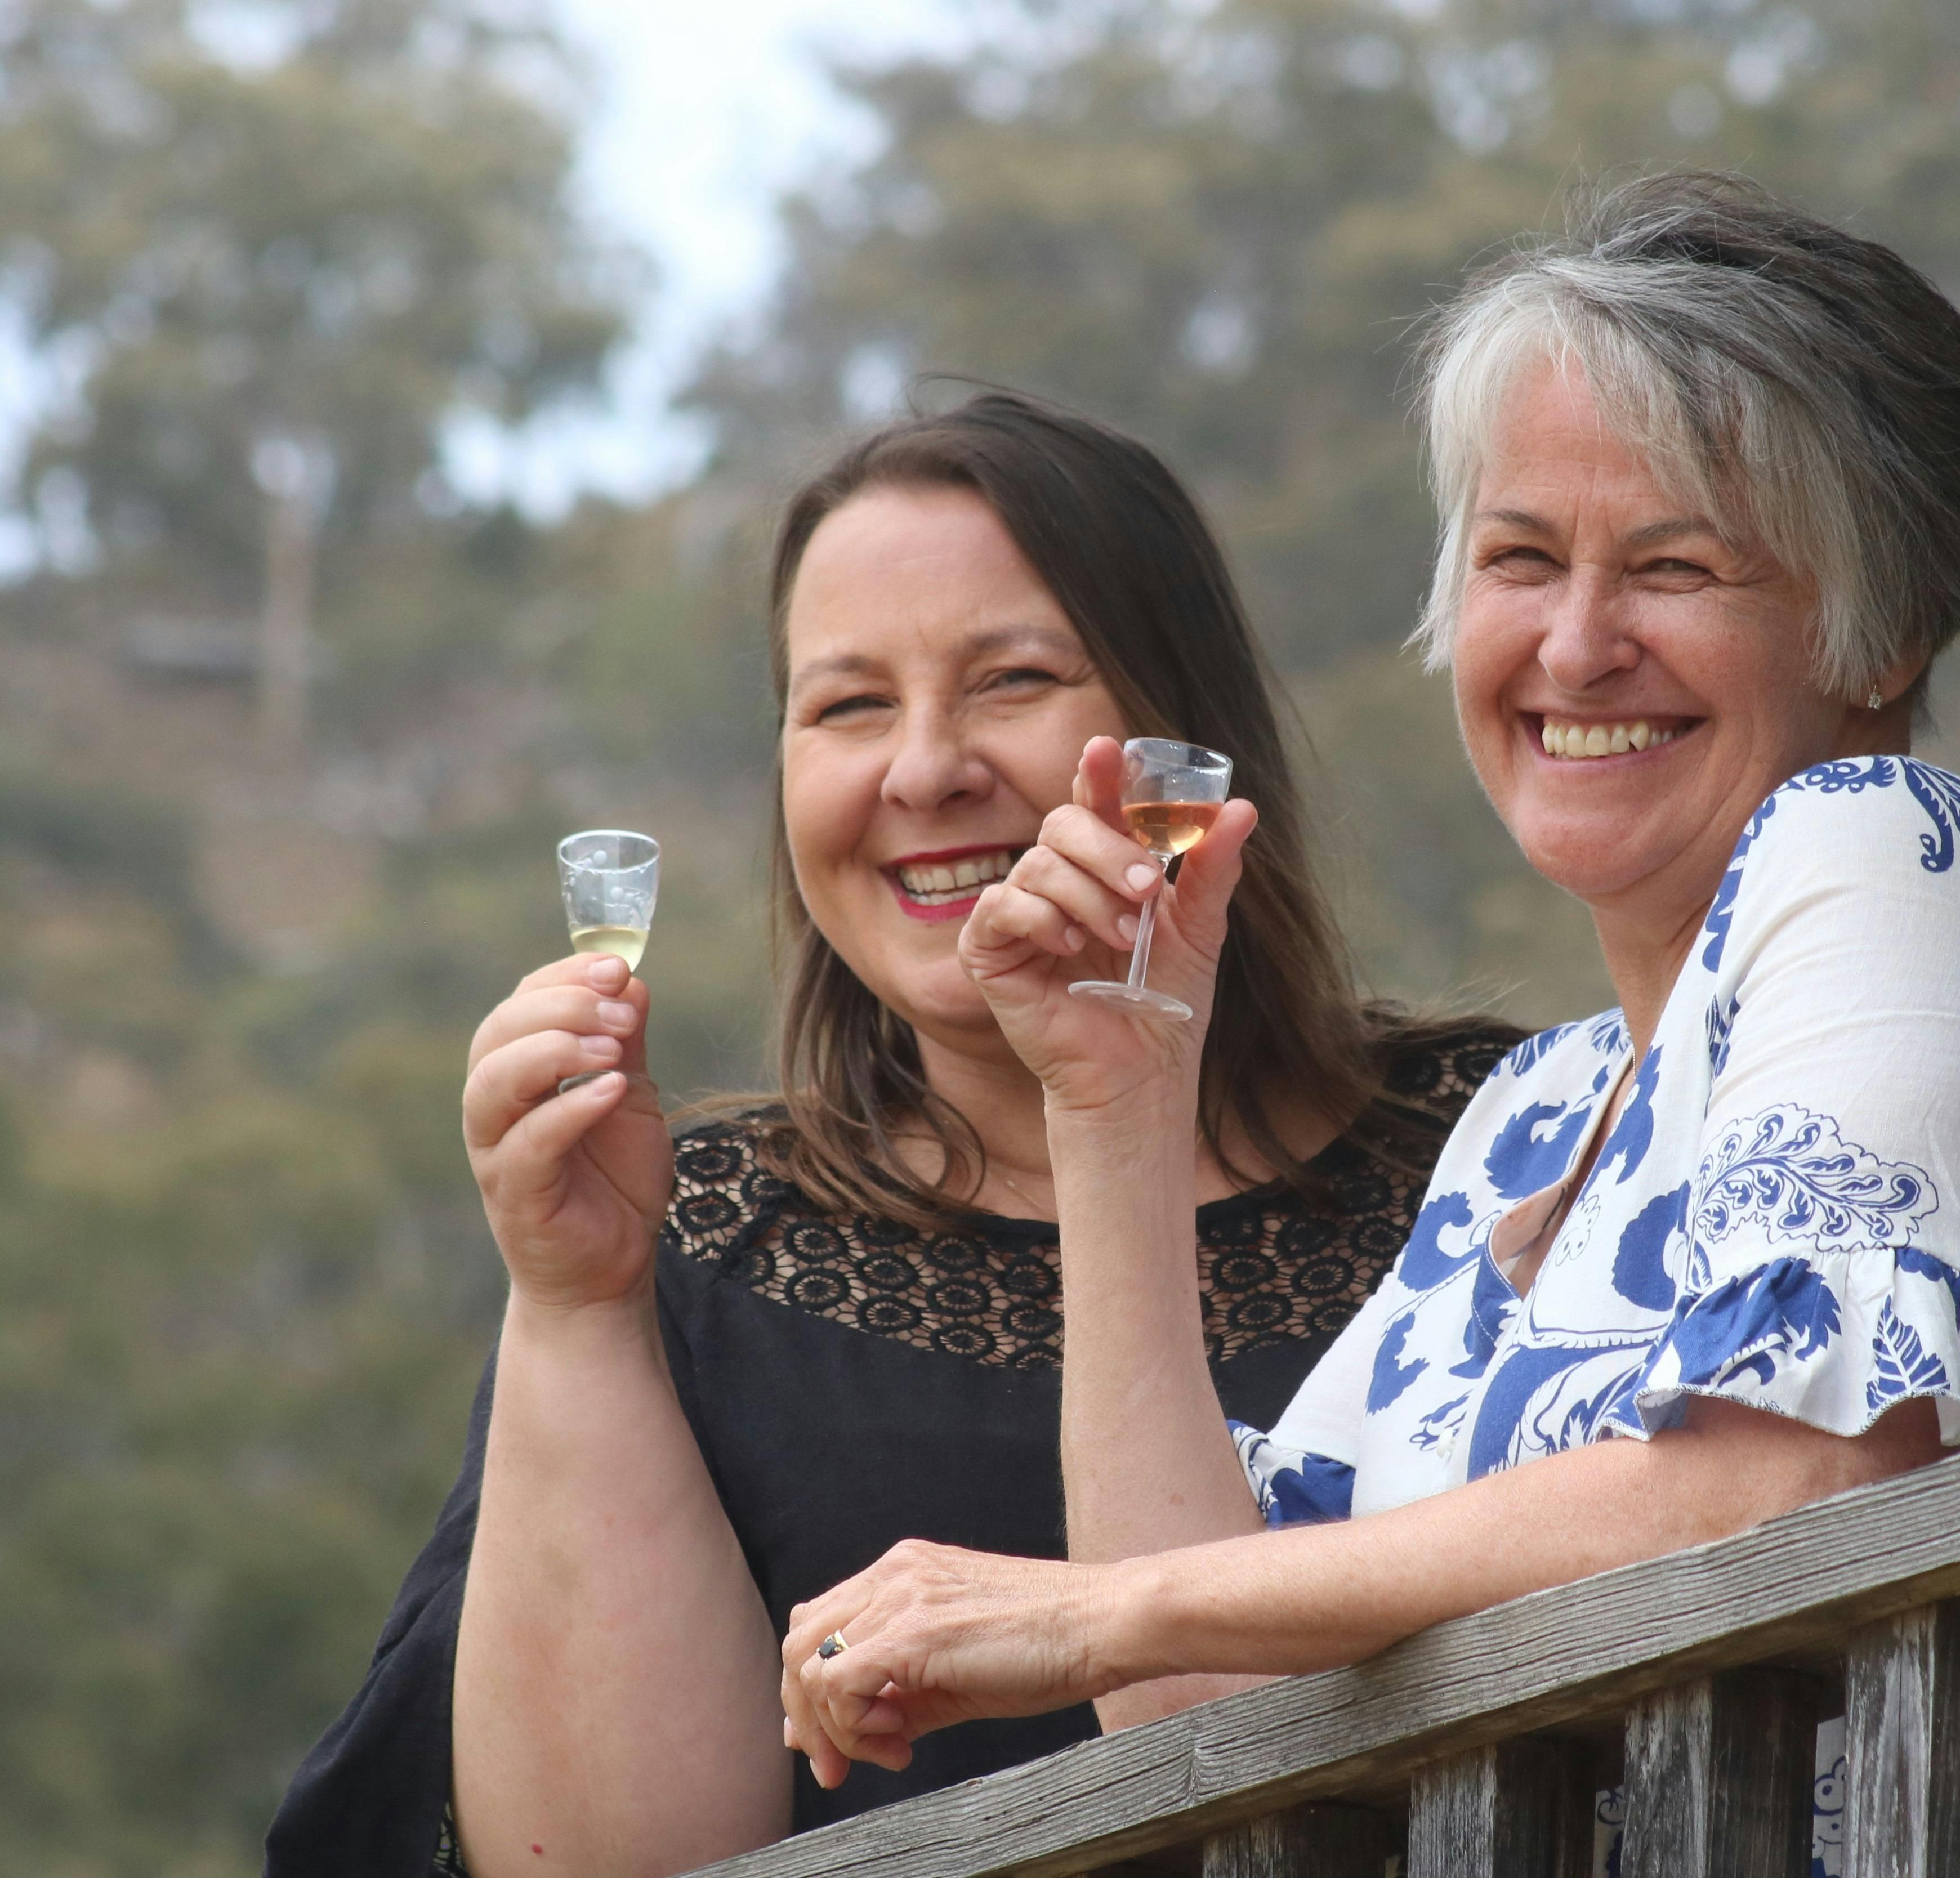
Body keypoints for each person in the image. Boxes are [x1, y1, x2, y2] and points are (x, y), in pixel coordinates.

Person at [773, 175, 1960, 1872]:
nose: (1575, 644)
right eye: (1520, 560)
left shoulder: (1893, 847)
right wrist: (1114, 1110)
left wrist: (1094, 1610)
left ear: (1881, 628)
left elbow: (1788, 1483)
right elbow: (1189, 1716)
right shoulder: (1525, 1123)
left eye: (1676, 568)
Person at [264, 392, 1515, 1878]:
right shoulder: (700, 1242)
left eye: (1011, 680)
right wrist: (576, 1303)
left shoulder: (1499, 1150)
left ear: (1189, 736)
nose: (923, 770)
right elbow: (601, 1862)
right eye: (848, 706)